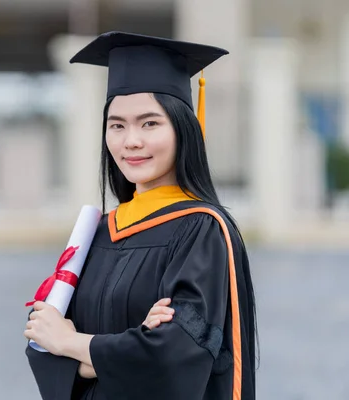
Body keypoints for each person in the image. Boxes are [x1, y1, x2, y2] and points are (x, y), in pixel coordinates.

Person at [23, 31, 257, 400]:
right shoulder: (97, 232)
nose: (130, 140)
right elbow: (40, 338)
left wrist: (71, 343)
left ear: (183, 128)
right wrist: (119, 349)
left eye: (149, 123)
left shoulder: (201, 230)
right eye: (117, 125)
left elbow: (176, 356)